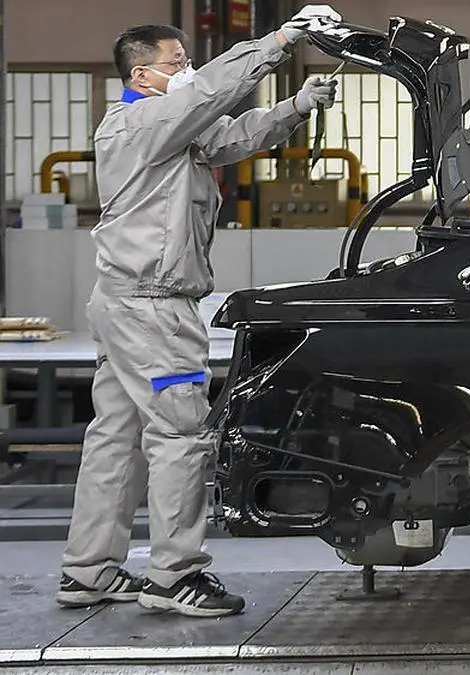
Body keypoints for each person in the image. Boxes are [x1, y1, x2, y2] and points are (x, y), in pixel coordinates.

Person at [56, 6, 341, 618]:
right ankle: (173, 576)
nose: (187, 71)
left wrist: (295, 108)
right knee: (181, 436)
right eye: (176, 63)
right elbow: (212, 92)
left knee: (117, 436)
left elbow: (231, 135)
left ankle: (89, 572)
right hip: (153, 310)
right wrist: (282, 40)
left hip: (129, 302)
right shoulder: (140, 123)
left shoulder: (169, 128)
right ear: (141, 73)